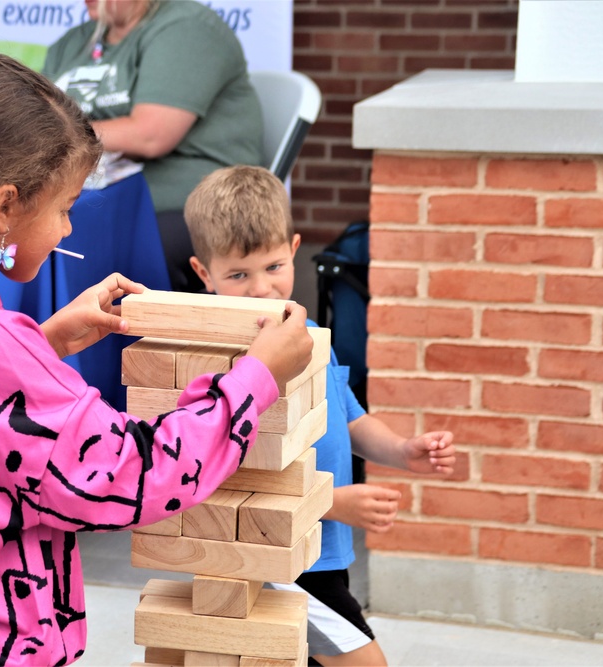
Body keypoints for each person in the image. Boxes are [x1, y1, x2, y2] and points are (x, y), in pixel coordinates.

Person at [0, 53, 314, 666]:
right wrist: (255, 379)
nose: (64, 231)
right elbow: (131, 474)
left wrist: (44, 342)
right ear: (4, 207)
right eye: (64, 207)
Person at [183, 165, 456, 667]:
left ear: (294, 249)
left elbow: (348, 418)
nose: (262, 289)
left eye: (272, 267)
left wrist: (400, 450)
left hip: (325, 553)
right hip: (273, 559)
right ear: (204, 273)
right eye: (238, 275)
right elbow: (236, 476)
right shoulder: (222, 361)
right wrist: (329, 501)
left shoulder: (308, 336)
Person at [42, 0, 263, 294]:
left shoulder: (187, 29)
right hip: (93, 191)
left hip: (185, 202)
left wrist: (57, 133)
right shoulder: (74, 42)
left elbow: (151, 136)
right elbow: (39, 115)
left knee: (76, 236)